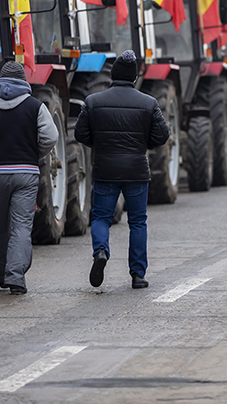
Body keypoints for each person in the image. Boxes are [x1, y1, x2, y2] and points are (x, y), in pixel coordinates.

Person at [74, 50, 169, 290]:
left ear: (113, 75)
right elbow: (162, 135)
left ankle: (101, 252)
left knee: (101, 217)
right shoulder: (148, 103)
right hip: (137, 169)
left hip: (105, 168)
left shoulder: (93, 102)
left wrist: (101, 144)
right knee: (137, 222)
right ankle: (138, 275)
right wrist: (141, 144)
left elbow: (80, 134)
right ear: (135, 77)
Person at [0, 61, 58, 295]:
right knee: (21, 226)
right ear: (23, 82)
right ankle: (15, 276)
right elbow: (50, 137)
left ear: (0, 83)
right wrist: (33, 154)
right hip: (26, 173)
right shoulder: (35, 106)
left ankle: (1, 273)